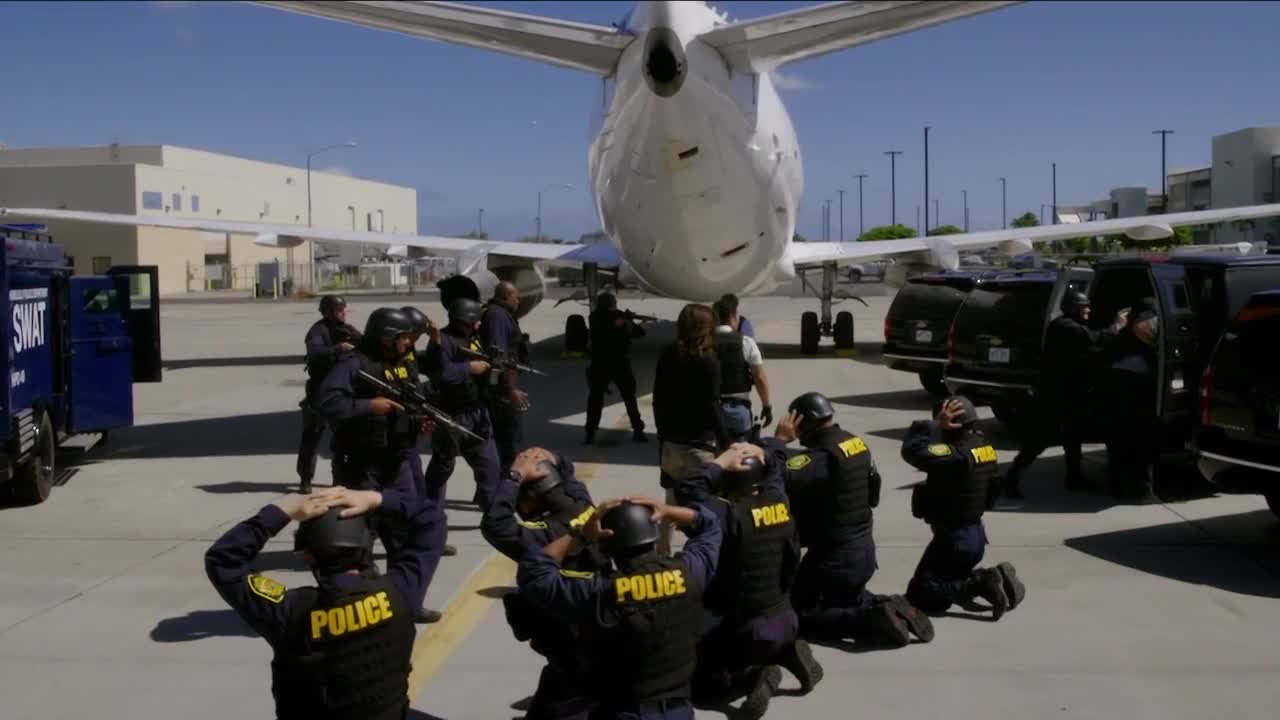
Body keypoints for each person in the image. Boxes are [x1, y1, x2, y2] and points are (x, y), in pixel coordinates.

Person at [204, 485, 446, 719]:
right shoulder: (400, 592)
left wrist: (281, 511)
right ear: (364, 548)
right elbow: (431, 519)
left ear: (308, 555)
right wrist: (376, 498)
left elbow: (223, 561)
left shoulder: (290, 612)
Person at [516, 495, 723, 720]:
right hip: (677, 711)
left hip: (623, 711)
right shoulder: (690, 572)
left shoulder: (599, 593)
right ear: (653, 534)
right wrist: (666, 510)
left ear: (606, 545)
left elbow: (534, 571)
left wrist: (582, 534)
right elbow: (710, 525)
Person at [313, 306, 445, 624]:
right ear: (387, 338)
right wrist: (368, 406)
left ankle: (407, 603)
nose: (410, 343)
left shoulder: (401, 363)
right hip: (360, 464)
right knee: (357, 540)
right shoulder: (354, 363)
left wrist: (419, 423)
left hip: (396, 461)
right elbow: (328, 402)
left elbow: (409, 403)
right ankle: (362, 607)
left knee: (404, 536)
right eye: (404, 337)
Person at [675, 443, 823, 717]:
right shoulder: (779, 501)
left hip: (746, 627)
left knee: (700, 687)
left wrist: (722, 460)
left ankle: (755, 677)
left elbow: (687, 489)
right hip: (784, 614)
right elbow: (775, 471)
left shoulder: (728, 516)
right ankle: (783, 652)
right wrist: (762, 451)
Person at [774, 392, 933, 647]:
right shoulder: (854, 443)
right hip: (863, 553)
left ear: (807, 422)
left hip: (833, 560)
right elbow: (872, 491)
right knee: (844, 598)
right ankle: (886, 606)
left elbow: (778, 474)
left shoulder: (822, 457)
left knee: (799, 614)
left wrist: (778, 442)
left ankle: (866, 619)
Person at [480, 447, 604, 720]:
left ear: (531, 499)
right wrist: (551, 458)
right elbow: (568, 475)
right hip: (594, 628)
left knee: (567, 696)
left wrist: (514, 477)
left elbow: (496, 525)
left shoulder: (544, 533)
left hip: (570, 639)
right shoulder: (582, 504)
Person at [901, 396, 1026, 620]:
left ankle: (980, 584)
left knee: (920, 595)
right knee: (943, 582)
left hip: (954, 540)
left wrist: (934, 425)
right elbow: (993, 489)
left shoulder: (954, 454)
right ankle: (994, 580)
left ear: (951, 424)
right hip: (974, 534)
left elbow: (912, 451)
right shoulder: (984, 448)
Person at [1003, 291, 1126, 498]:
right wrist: (1117, 326)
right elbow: (1092, 338)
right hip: (1054, 396)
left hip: (1070, 394)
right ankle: (1011, 478)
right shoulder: (1064, 326)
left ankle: (1074, 478)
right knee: (1041, 439)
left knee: (1073, 436)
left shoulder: (1072, 325)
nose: (1088, 310)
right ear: (1073, 308)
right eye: (1084, 306)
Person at [653, 303, 726, 555]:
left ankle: (662, 556)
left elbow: (659, 401)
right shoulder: (709, 361)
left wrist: (663, 440)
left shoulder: (668, 355)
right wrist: (726, 442)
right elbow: (712, 406)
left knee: (670, 508)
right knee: (709, 511)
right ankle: (706, 558)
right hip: (700, 448)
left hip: (672, 446)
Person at [422, 298, 502, 513]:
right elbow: (441, 375)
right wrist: (470, 368)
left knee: (490, 465)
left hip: (477, 411)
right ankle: (430, 513)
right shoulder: (442, 342)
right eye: (475, 321)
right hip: (451, 414)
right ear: (464, 321)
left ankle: (493, 512)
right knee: (443, 466)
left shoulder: (474, 339)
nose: (478, 325)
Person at [298, 294, 361, 493]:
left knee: (343, 437)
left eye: (344, 309)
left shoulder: (347, 329)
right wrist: (338, 348)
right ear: (328, 312)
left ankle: (339, 479)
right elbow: (314, 352)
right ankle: (306, 479)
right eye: (339, 310)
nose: (343, 313)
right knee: (312, 437)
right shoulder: (317, 331)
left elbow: (364, 343)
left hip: (340, 391)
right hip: (318, 392)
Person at [1100, 301, 1161, 504]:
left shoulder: (1120, 338)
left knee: (1119, 444)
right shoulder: (1145, 340)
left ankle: (1117, 485)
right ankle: (1142, 490)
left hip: (1119, 397)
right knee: (1140, 444)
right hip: (1134, 397)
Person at [479, 281, 531, 475]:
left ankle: (499, 483)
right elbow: (498, 358)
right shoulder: (497, 316)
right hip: (501, 391)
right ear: (506, 297)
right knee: (508, 441)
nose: (518, 301)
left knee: (507, 440)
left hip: (504, 386)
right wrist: (510, 390)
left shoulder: (501, 314)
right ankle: (505, 483)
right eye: (515, 297)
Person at [584, 292, 647, 444]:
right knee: (628, 398)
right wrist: (624, 322)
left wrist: (628, 320)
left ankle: (590, 433)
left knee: (597, 399)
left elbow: (638, 332)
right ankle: (637, 430)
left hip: (602, 363)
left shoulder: (597, 316)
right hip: (616, 363)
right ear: (612, 304)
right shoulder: (602, 318)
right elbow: (635, 332)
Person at [712, 297, 773, 444]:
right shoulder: (746, 342)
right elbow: (759, 378)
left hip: (709, 410)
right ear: (732, 316)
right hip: (737, 410)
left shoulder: (703, 343)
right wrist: (766, 406)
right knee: (740, 453)